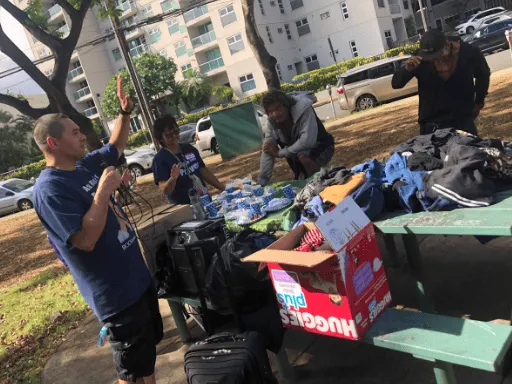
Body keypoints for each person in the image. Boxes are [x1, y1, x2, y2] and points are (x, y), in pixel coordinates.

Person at [32, 76, 162, 384]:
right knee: (130, 374)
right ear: (54, 142)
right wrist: (104, 191)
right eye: (74, 133)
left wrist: (125, 113)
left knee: (145, 364)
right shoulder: (49, 190)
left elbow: (114, 146)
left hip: (137, 280)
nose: (81, 136)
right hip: (115, 295)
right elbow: (85, 240)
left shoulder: (82, 166)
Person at [392, 29, 490, 136]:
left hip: (462, 121)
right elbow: (396, 84)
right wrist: (406, 70)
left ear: (447, 45)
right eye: (430, 58)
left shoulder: (469, 53)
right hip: (431, 124)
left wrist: (479, 102)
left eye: (437, 55)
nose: (434, 60)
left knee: (469, 151)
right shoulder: (420, 60)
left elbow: (483, 75)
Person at [258, 90, 335, 186]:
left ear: (286, 105)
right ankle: (307, 181)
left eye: (278, 108)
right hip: (295, 154)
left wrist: (279, 153)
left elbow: (307, 141)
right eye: (271, 111)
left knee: (303, 157)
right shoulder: (272, 120)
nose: (275, 114)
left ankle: (320, 182)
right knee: (301, 179)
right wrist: (262, 182)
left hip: (321, 146)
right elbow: (268, 149)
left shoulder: (303, 109)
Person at [152, 114, 225, 204]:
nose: (174, 136)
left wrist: (223, 188)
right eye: (169, 135)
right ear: (161, 138)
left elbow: (204, 172)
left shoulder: (188, 148)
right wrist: (173, 178)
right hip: (185, 208)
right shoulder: (160, 159)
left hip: (204, 200)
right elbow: (165, 190)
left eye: (176, 131)